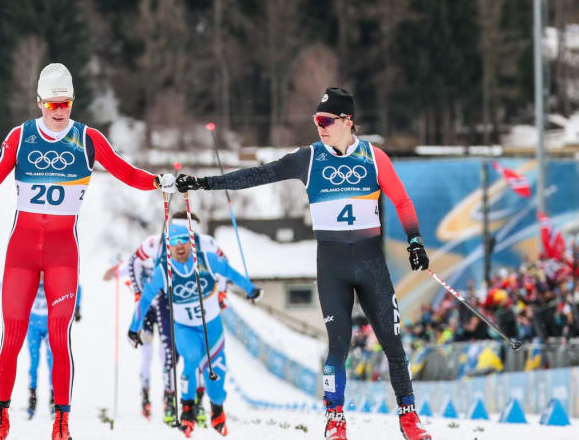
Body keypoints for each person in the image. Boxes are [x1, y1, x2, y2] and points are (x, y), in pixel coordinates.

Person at [176, 87, 432, 440]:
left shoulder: (375, 158)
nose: (320, 126)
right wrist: (204, 183)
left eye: (326, 121)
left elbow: (402, 202)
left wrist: (415, 240)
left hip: (373, 265)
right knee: (338, 346)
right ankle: (335, 421)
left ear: (347, 122)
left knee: (393, 343)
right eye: (316, 120)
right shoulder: (308, 158)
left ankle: (409, 418)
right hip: (333, 267)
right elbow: (257, 174)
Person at [0, 63, 177, 440]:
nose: (59, 111)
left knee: (60, 336)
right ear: (40, 102)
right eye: (52, 104)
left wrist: (157, 181)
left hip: (63, 253)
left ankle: (61, 422)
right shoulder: (21, 137)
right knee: (12, 336)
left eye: (65, 103)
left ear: (72, 101)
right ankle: (0, 420)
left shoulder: (88, 139)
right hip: (22, 253)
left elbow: (125, 172)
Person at [127, 224, 262, 438]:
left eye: (183, 240)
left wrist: (251, 289)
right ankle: (187, 409)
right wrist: (134, 329)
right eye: (173, 242)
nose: (179, 246)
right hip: (184, 328)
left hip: (212, 329)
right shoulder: (164, 270)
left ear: (191, 242)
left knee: (216, 376)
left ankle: (217, 409)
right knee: (190, 359)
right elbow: (145, 299)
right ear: (168, 247)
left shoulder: (207, 260)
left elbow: (230, 273)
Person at [126, 212, 227, 426]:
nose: (184, 242)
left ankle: (194, 404)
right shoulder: (156, 242)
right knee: (167, 352)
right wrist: (139, 292)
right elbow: (133, 261)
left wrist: (221, 294)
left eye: (190, 236)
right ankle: (170, 402)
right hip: (164, 303)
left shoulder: (205, 243)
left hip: (194, 304)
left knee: (197, 354)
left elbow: (223, 264)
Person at [26, 277, 83, 419]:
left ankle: (53, 398)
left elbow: (76, 286)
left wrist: (76, 307)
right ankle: (32, 396)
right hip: (33, 324)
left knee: (53, 363)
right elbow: (9, 284)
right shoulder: (30, 272)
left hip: (51, 323)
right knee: (34, 363)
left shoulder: (52, 272)